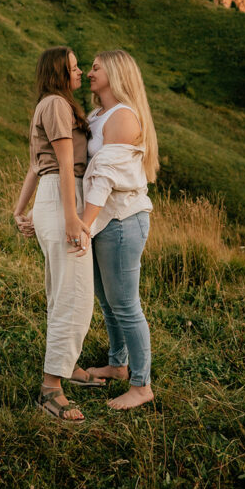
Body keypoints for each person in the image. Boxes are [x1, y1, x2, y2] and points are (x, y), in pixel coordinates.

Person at [13, 46, 103, 424]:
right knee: (76, 298)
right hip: (64, 197)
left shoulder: (51, 105)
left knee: (62, 291)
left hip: (53, 196)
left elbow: (35, 165)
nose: (80, 72)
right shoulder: (56, 105)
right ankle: (51, 388)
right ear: (59, 72)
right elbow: (64, 164)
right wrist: (72, 217)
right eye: (74, 67)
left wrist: (20, 209)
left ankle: (68, 366)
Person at [77, 49, 159, 410]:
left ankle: (142, 386)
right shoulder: (98, 115)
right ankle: (117, 364)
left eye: (96, 68)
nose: (89, 73)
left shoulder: (123, 118)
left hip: (121, 221)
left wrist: (83, 222)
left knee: (126, 304)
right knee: (108, 301)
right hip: (101, 221)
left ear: (116, 73)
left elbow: (105, 176)